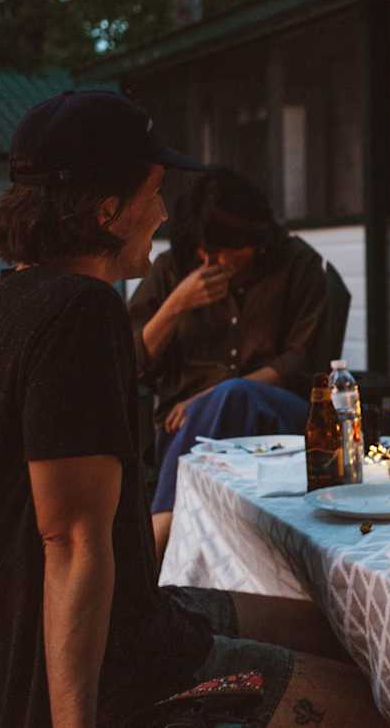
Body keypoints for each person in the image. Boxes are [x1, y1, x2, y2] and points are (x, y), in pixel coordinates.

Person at [0, 91, 383, 728]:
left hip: (132, 612)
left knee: (339, 625)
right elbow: (72, 542)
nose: (165, 211)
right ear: (108, 209)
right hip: (111, 664)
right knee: (374, 702)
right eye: (154, 191)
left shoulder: (3, 303)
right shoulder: (80, 314)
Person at [129, 167, 328, 558]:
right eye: (204, 249)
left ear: (255, 237)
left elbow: (301, 358)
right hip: (184, 431)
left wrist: (214, 397)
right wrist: (176, 305)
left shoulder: (297, 265)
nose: (211, 259)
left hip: (276, 423)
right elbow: (130, 361)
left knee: (234, 395)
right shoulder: (174, 268)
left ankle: (158, 534)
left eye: (225, 249)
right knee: (220, 405)